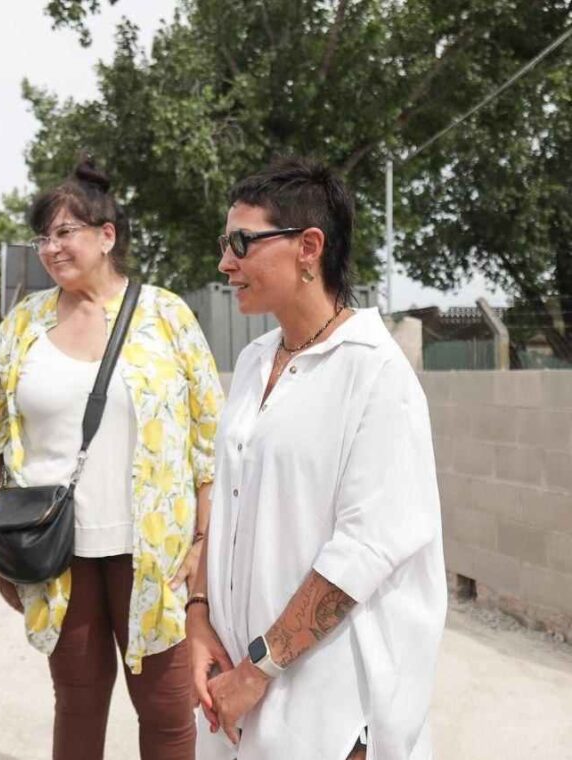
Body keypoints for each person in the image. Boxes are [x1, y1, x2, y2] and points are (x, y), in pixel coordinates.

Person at [188, 158, 446, 760]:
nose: (226, 262)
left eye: (242, 243)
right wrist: (198, 618)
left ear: (309, 247)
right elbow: (226, 501)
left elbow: (365, 551)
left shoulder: (377, 376)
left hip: (326, 706)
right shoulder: (254, 361)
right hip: (235, 694)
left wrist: (257, 672)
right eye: (226, 243)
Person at [0, 158, 225, 760]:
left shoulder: (166, 315)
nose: (52, 248)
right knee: (79, 705)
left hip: (154, 552)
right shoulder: (23, 324)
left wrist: (202, 542)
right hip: (57, 552)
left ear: (106, 236)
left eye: (66, 232)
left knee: (166, 713)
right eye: (44, 237)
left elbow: (210, 442)